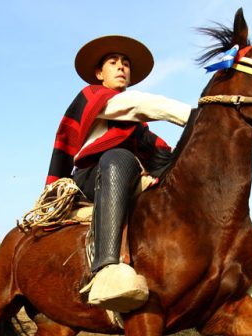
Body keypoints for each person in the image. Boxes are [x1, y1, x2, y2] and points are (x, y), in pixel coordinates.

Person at [46, 35, 191, 312]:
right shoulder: (92, 96)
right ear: (99, 74)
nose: (121, 66)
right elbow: (135, 104)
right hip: (91, 177)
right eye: (113, 62)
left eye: (125, 63)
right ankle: (107, 269)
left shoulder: (138, 129)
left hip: (127, 174)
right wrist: (198, 115)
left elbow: (164, 153)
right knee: (119, 157)